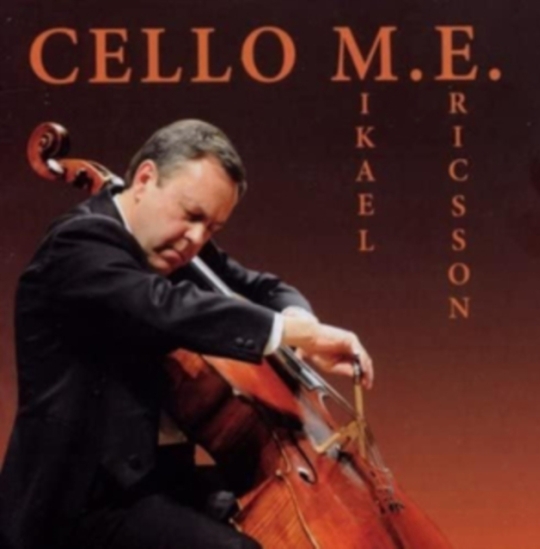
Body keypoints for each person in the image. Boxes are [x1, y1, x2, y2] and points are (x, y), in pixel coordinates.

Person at [0, 119, 373, 549]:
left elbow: (263, 288)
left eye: (212, 228)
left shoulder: (175, 247)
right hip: (83, 501)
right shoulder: (78, 243)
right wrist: (290, 333)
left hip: (155, 478)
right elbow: (165, 306)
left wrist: (302, 321)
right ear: (145, 179)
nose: (197, 239)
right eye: (192, 215)